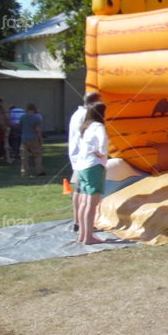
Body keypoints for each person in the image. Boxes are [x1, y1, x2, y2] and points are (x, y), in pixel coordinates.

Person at [68, 92, 102, 232]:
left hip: (78, 158)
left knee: (79, 190)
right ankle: (86, 226)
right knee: (88, 194)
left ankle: (78, 222)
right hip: (86, 159)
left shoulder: (77, 114)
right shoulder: (86, 116)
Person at [75, 102, 108, 245]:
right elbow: (103, 143)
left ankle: (83, 235)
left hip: (82, 167)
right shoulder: (99, 127)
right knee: (91, 203)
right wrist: (101, 154)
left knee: (84, 202)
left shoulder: (85, 127)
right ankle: (88, 236)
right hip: (93, 166)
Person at [19, 103, 44, 177]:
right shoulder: (36, 118)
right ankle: (39, 170)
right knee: (37, 155)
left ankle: (24, 172)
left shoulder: (22, 117)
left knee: (24, 156)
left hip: (24, 138)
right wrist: (40, 139)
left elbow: (20, 126)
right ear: (34, 110)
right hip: (33, 138)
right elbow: (38, 130)